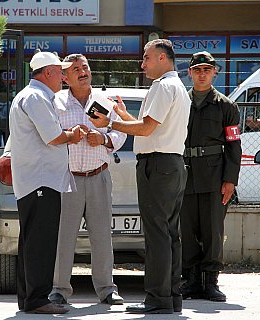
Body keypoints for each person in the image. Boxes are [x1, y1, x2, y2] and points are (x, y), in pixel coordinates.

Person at [89, 38, 191, 314]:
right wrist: (121, 113)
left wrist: (108, 122)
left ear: (162, 58)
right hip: (171, 163)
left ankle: (158, 299)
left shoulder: (162, 86)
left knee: (158, 234)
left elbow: (145, 130)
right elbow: (150, 126)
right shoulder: (177, 87)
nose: (142, 63)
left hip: (157, 165)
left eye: (146, 57)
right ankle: (170, 297)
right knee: (169, 233)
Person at [9, 51, 86, 314]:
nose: (64, 77)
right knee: (40, 242)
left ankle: (30, 299)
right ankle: (38, 299)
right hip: (40, 181)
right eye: (61, 71)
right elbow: (53, 137)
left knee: (32, 241)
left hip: (37, 180)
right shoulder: (35, 97)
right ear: (48, 72)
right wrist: (73, 135)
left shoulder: (34, 96)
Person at [48, 54, 127, 306]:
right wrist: (70, 135)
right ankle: (59, 289)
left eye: (85, 67)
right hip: (66, 178)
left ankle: (106, 289)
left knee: (102, 235)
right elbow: (48, 134)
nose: (83, 72)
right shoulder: (56, 102)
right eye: (76, 69)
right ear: (64, 77)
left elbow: (121, 132)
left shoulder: (104, 101)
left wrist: (103, 139)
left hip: (98, 176)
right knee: (63, 236)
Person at [179, 51, 242, 302]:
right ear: (190, 73)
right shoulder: (181, 101)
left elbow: (234, 146)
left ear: (215, 72)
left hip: (214, 176)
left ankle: (211, 282)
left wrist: (230, 180)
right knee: (188, 228)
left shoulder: (226, 106)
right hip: (184, 174)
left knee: (213, 231)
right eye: (197, 70)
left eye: (207, 69)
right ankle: (192, 280)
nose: (202, 74)